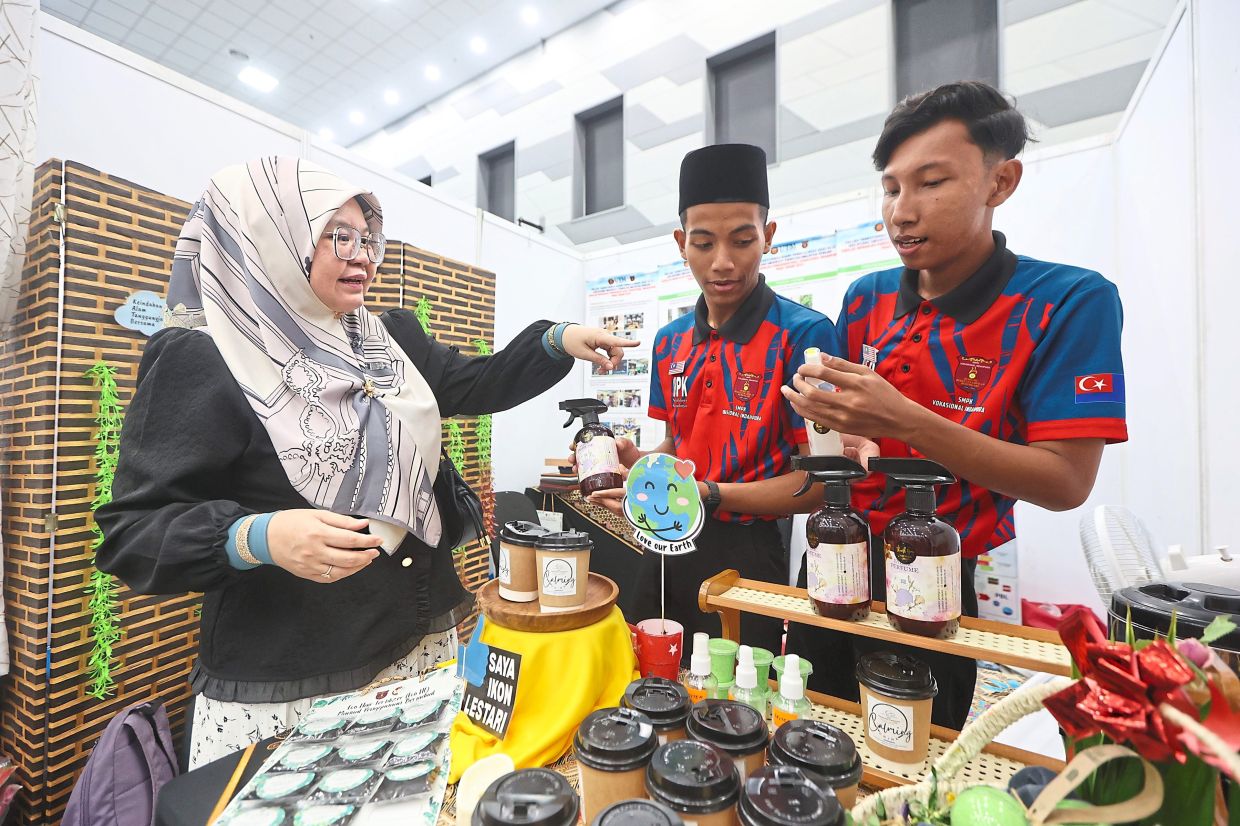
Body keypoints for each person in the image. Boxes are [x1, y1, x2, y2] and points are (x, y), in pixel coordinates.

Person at [95, 156, 635, 768]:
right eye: (337, 237)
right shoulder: (208, 357)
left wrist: (555, 340)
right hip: (296, 677)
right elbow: (133, 531)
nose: (363, 257)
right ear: (271, 239)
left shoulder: (387, 339)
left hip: (416, 638)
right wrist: (257, 536)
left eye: (367, 239)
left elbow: (472, 385)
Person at [782, 82, 1128, 729]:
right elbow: (854, 436)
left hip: (948, 566)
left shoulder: (1066, 302)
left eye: (931, 182)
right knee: (810, 728)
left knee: (916, 753)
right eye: (891, 188)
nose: (902, 212)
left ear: (1002, 180)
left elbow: (1065, 481)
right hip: (837, 549)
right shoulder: (867, 298)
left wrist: (901, 418)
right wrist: (842, 434)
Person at [589, 144, 872, 655]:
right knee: (650, 669)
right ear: (681, 243)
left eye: (742, 240)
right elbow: (678, 444)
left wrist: (712, 494)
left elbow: (817, 485)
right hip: (666, 537)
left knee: (737, 699)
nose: (722, 262)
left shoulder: (803, 336)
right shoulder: (670, 341)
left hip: (750, 550)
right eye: (703, 243)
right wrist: (640, 464)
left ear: (768, 236)